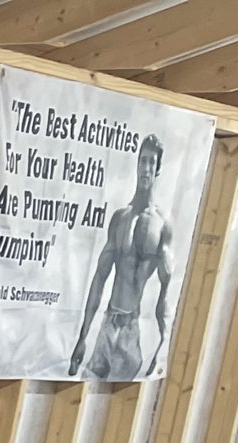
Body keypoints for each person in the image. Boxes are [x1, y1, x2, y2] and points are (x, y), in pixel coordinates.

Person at [69, 134, 172, 381]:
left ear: (157, 169)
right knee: (84, 385)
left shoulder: (162, 225)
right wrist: (82, 337)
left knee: (118, 400)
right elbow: (99, 277)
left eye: (151, 163)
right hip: (108, 324)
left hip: (133, 329)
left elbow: (165, 291)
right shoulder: (120, 218)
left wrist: (162, 347)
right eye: (143, 161)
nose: (146, 168)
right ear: (137, 165)